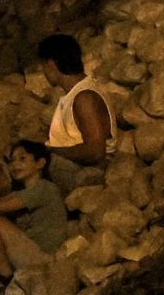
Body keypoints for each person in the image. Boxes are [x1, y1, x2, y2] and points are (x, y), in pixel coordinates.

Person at [0, 141, 69, 277]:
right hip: (28, 252)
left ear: (40, 163)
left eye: (22, 159)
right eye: (12, 161)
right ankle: (5, 277)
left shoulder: (45, 188)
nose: (15, 165)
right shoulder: (21, 193)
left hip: (42, 256)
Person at [37, 33, 113, 190]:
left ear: (51, 64)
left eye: (43, 66)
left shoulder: (83, 98)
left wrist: (55, 150)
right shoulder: (76, 94)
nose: (43, 72)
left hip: (85, 172)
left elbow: (96, 152)